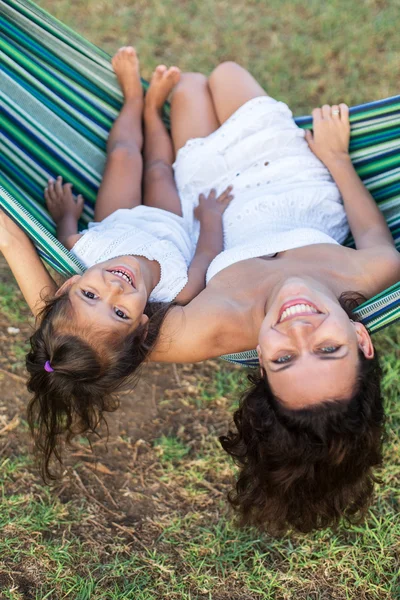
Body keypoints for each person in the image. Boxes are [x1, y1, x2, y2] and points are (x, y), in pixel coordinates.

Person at [2, 59, 399, 533]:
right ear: (361, 338)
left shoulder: (215, 329)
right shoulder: (377, 269)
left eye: (284, 359)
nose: (298, 330)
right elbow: (373, 228)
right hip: (289, 169)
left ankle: (152, 105)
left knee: (191, 87)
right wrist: (335, 157)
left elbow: (95, 341)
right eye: (328, 349)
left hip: (208, 186)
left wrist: (8, 238)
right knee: (228, 72)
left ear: (261, 368)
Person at [0, 47, 233, 481]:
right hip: (167, 223)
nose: (113, 287)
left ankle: (132, 99)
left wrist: (66, 216)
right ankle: (153, 111)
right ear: (143, 325)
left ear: (69, 284)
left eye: (90, 295)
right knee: (160, 170)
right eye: (120, 312)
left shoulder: (83, 252)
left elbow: (67, 236)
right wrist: (211, 219)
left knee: (125, 156)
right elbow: (206, 254)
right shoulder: (178, 291)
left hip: (118, 219)